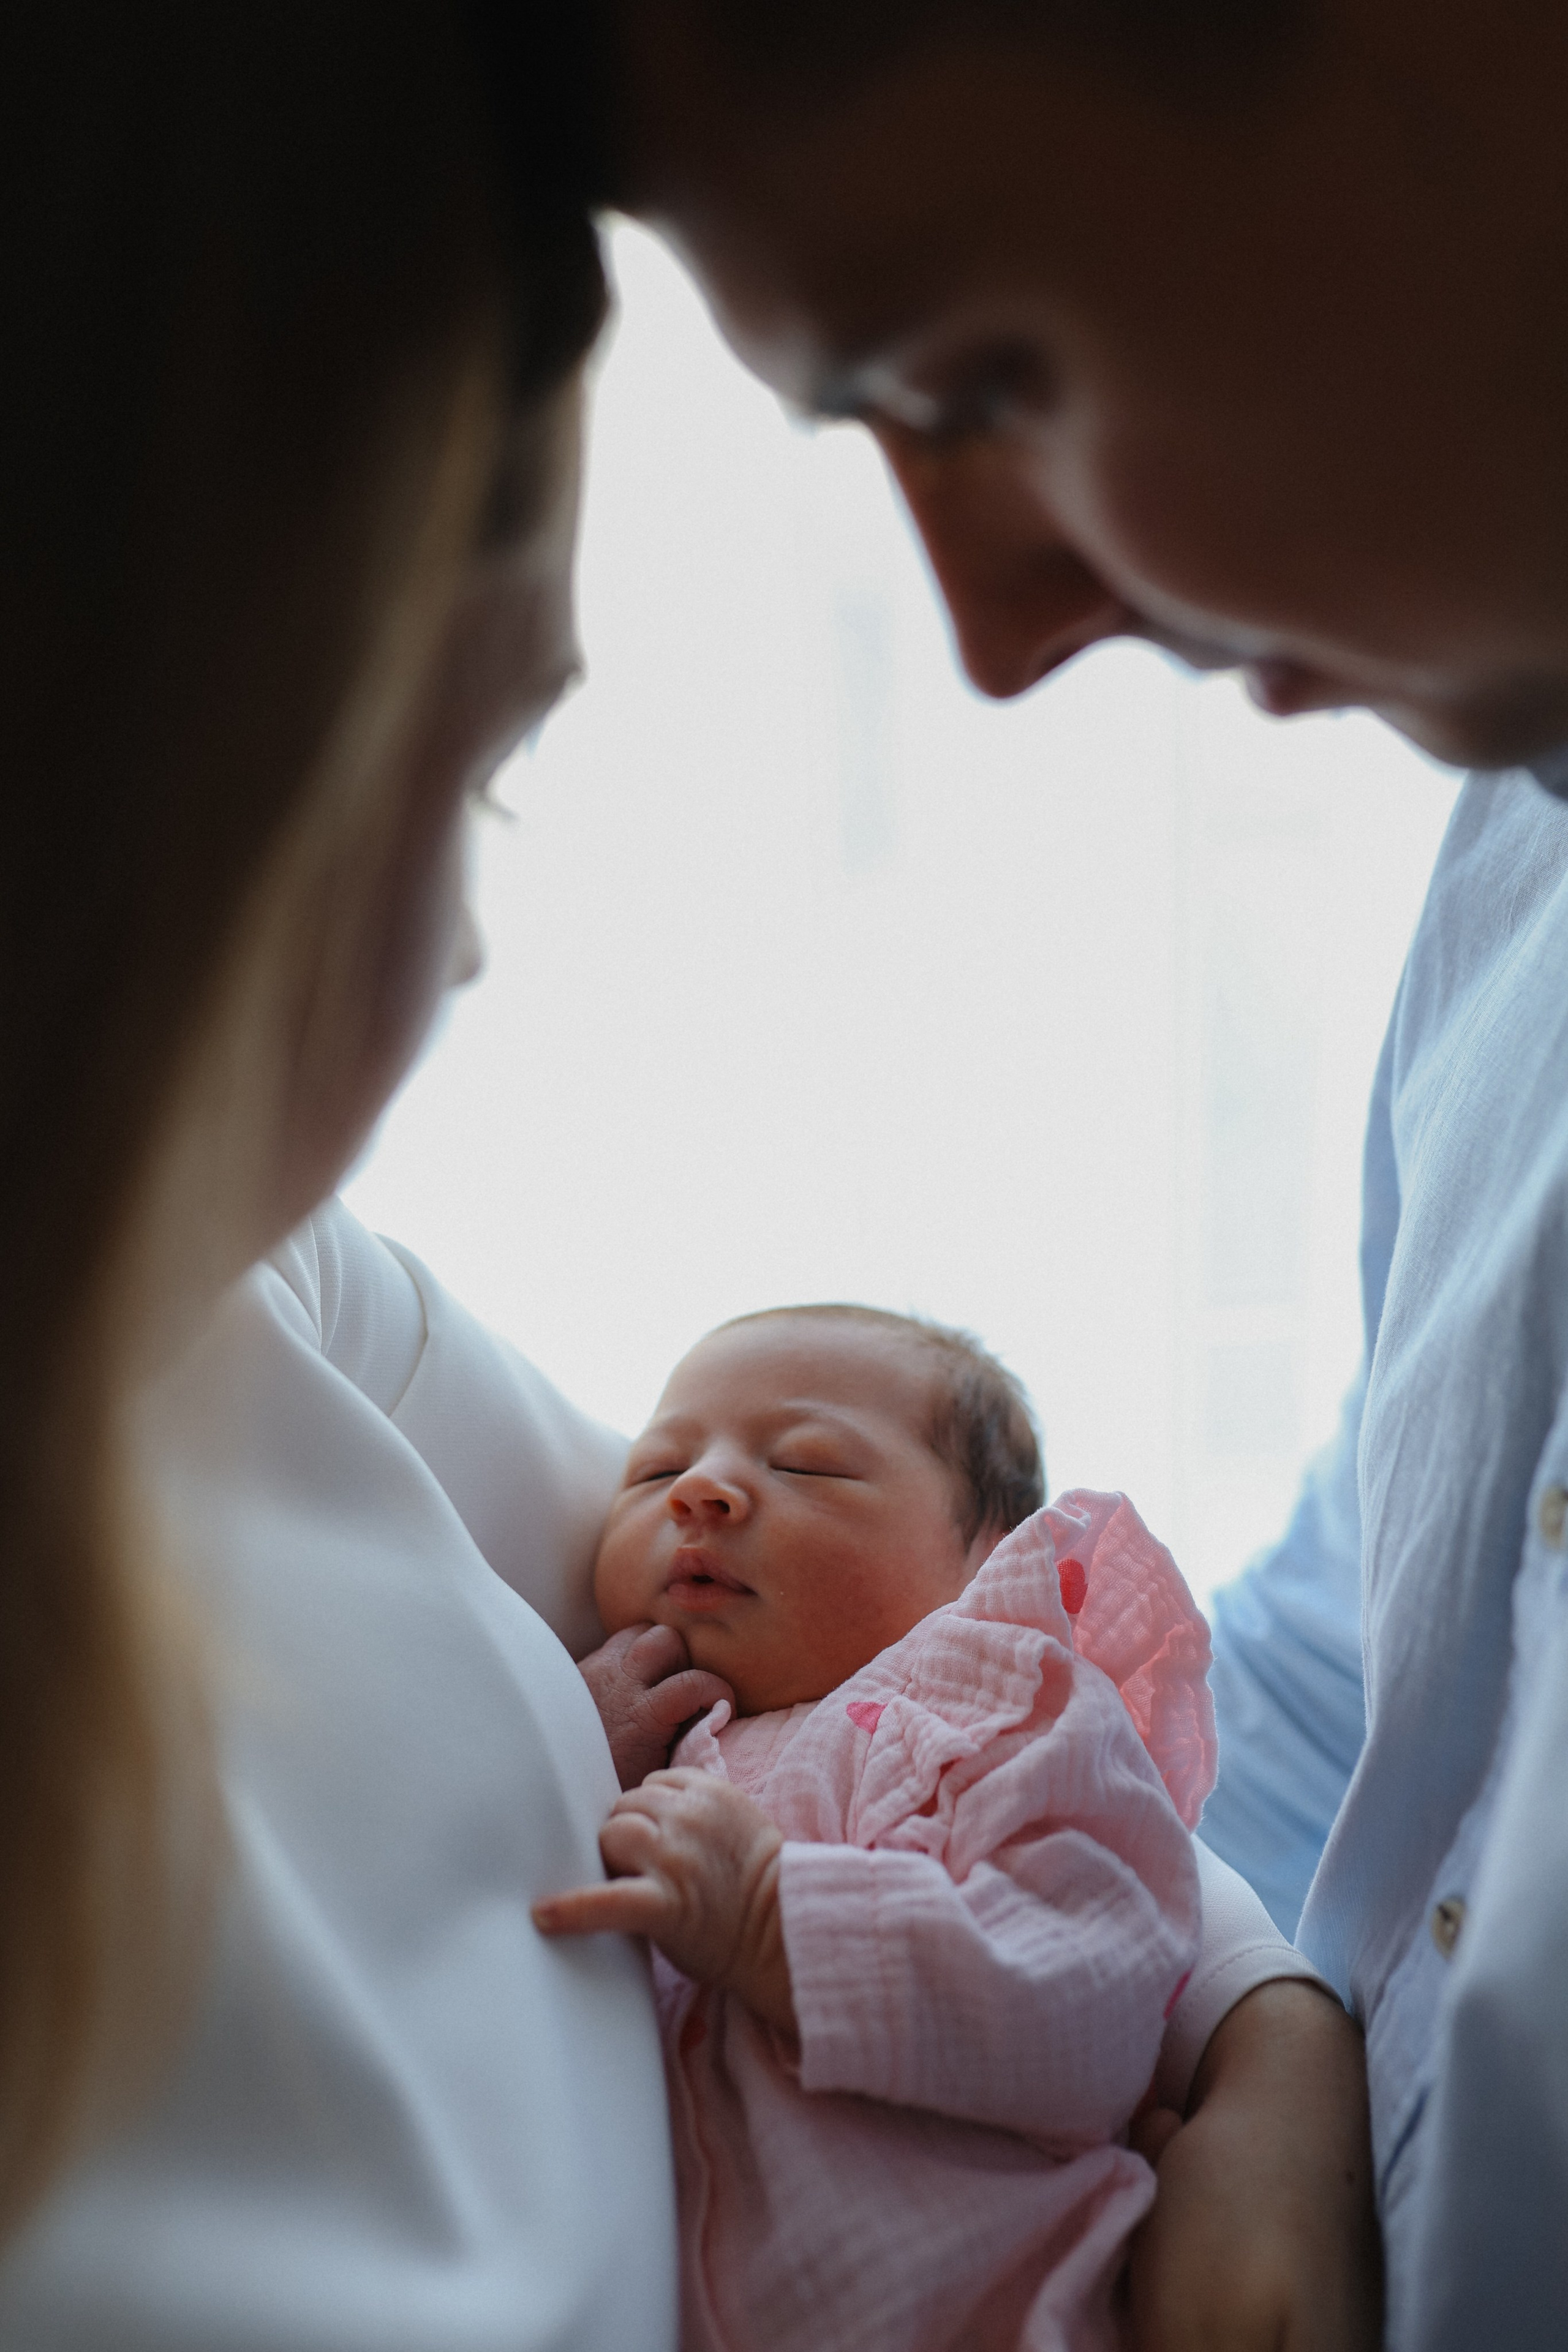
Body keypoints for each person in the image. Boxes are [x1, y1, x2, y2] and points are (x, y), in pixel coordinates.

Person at [523, 3, 1568, 2346]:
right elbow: (1366, 1700)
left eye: (988, 371)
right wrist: (1277, 2033)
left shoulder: (995, 1697)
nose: (991, 633)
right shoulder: (1514, 905)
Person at [0, 6, 696, 2343]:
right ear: (220, 749)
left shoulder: (250, 1281)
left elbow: (858, 1601)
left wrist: (1255, 2031)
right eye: (475, 765)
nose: (478, 941)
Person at [537, 1306, 1336, 2350]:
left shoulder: (1001, 1712)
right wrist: (551, 1731)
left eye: (810, 1466)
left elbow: (1097, 1998)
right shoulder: (645, 1724)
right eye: (653, 1473)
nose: (702, 1489)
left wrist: (778, 1922)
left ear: (983, 1561)